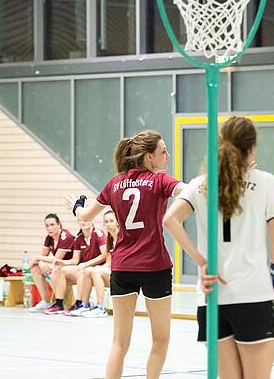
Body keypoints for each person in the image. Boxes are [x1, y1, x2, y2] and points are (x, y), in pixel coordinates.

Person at [163, 116, 274, 379]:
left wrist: (201, 261)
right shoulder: (265, 182)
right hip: (252, 295)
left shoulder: (201, 183)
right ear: (252, 147)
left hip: (212, 298)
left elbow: (169, 219)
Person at [70, 130, 185, 379]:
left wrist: (76, 205)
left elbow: (84, 217)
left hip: (122, 267)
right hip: (155, 267)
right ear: (148, 158)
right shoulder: (159, 180)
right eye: (163, 151)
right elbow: (187, 192)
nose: (168, 155)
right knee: (161, 339)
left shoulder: (115, 183)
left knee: (119, 343)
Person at [43, 218, 108, 315]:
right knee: (61, 270)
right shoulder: (79, 239)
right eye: (81, 220)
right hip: (84, 267)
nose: (84, 222)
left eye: (87, 219)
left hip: (97, 268)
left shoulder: (99, 234)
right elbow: (75, 260)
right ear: (78, 222)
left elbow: (104, 255)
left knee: (83, 271)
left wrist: (86, 264)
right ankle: (59, 304)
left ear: (92, 220)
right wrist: (62, 262)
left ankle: (80, 303)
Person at [73, 210, 120, 318]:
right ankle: (84, 305)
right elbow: (108, 263)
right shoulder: (110, 238)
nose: (108, 224)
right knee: (88, 270)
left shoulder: (122, 237)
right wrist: (97, 268)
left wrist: (98, 269)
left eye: (111, 221)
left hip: (123, 273)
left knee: (96, 271)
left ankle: (100, 307)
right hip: (112, 272)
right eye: (106, 221)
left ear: (117, 222)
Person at [27, 214, 75, 313]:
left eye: (52, 225)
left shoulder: (66, 237)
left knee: (50, 267)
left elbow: (57, 259)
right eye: (47, 226)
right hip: (59, 264)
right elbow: (43, 256)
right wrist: (40, 262)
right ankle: (45, 301)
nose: (50, 228)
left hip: (71, 264)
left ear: (59, 225)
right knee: (35, 268)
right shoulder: (49, 237)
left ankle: (60, 302)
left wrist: (38, 259)